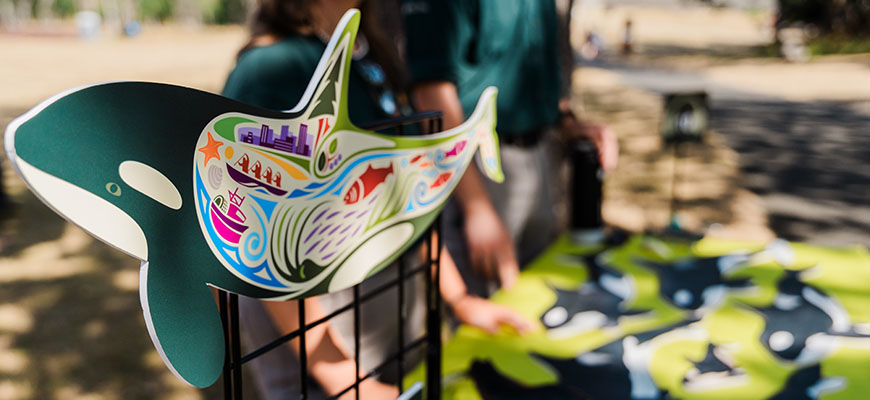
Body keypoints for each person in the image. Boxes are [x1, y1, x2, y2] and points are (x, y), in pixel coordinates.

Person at [221, 1, 531, 399]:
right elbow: (253, 239)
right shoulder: (271, 68)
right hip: (318, 346)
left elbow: (402, 196)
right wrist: (345, 381)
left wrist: (460, 299)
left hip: (387, 328)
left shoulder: (371, 55)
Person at [402, 0, 619, 297]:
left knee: (538, 294)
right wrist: (476, 207)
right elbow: (431, 94)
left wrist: (568, 123)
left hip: (542, 156)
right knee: (488, 306)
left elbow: (534, 66)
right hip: (476, 167)